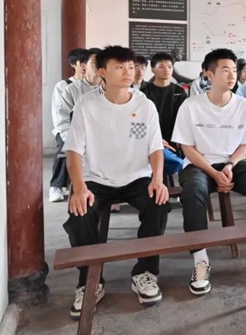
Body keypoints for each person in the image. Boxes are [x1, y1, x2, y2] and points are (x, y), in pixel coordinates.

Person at [63, 45, 169, 317]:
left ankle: (145, 272)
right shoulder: (86, 105)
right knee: (80, 213)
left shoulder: (144, 105)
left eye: (130, 67)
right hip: (96, 178)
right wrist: (79, 188)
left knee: (158, 204)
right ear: (102, 72)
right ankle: (90, 280)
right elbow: (73, 152)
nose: (127, 72)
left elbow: (155, 148)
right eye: (119, 67)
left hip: (136, 177)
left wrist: (158, 179)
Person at [173, 48, 246, 294]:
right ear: (209, 74)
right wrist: (213, 172)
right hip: (200, 164)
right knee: (193, 191)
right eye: (225, 70)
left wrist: (229, 165)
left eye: (234, 70)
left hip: (234, 163)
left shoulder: (243, 105)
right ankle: (200, 260)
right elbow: (187, 148)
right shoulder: (191, 106)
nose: (232, 75)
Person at [49, 47, 88, 202]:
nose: (85, 66)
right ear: (73, 64)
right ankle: (56, 185)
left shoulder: (95, 86)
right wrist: (68, 136)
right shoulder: (63, 85)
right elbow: (59, 115)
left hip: (88, 130)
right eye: (82, 62)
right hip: (66, 129)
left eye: (87, 62)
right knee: (64, 149)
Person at [142, 52, 188, 147]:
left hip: (174, 139)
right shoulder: (144, 93)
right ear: (153, 70)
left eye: (169, 67)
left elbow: (184, 117)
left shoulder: (179, 91)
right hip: (151, 138)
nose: (166, 70)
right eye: (161, 67)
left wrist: (180, 137)